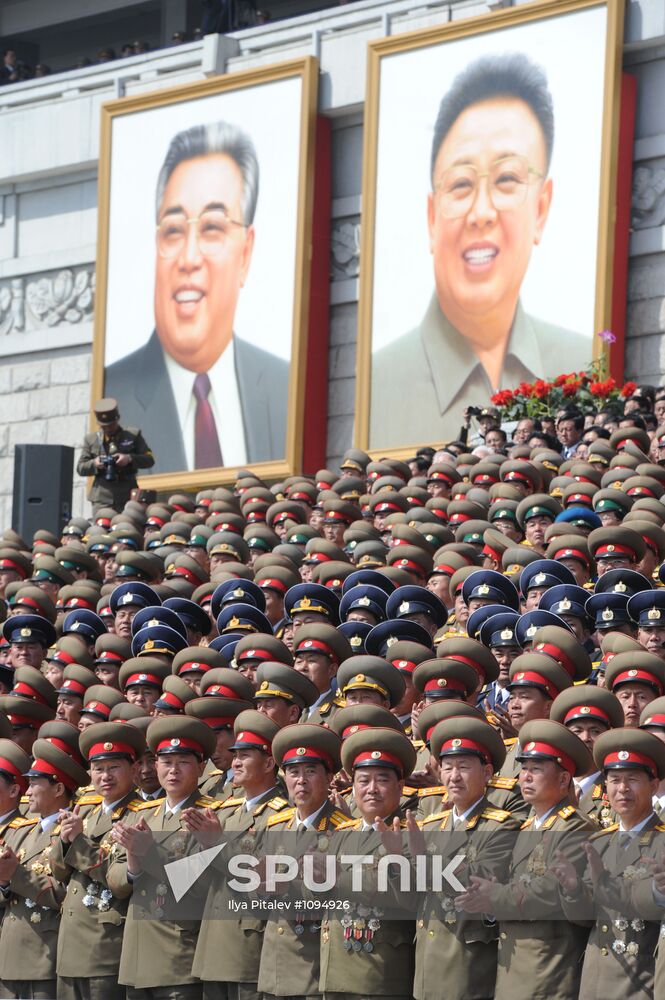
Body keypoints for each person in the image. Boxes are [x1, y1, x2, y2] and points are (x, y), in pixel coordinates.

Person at [370, 52, 590, 448]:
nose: (482, 213)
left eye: (507, 179)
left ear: (541, 208)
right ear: (432, 215)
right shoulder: (378, 381)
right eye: (460, 184)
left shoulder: (582, 364)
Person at [105, 121, 289, 473]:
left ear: (246, 253)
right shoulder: (115, 391)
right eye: (173, 231)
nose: (189, 259)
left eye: (212, 229)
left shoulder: (283, 388)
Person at [76, 398, 155, 514]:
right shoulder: (91, 440)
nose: (108, 429)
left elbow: (150, 460)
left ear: (117, 420)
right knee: (100, 529)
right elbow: (80, 468)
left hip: (127, 495)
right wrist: (95, 463)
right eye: (104, 426)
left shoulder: (133, 435)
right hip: (102, 499)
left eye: (111, 425)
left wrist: (129, 459)